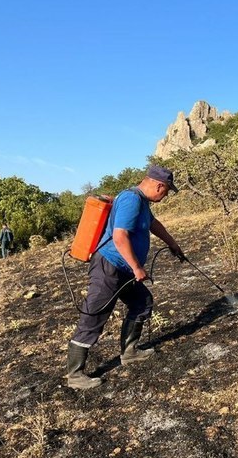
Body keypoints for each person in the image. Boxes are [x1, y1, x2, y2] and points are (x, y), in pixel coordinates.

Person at [65, 165, 185, 390]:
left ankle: (129, 353)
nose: (166, 195)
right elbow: (120, 237)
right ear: (159, 185)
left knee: (142, 303)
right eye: (166, 191)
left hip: (123, 269)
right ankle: (75, 374)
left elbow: (153, 224)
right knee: (94, 315)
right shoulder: (131, 200)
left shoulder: (141, 202)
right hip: (109, 267)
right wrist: (137, 268)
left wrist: (172, 243)